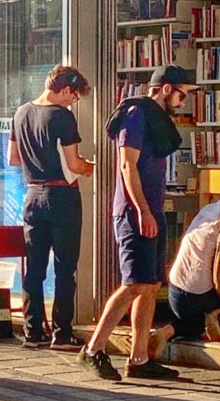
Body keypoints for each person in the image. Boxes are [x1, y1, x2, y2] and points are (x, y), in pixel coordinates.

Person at [78, 65, 198, 380]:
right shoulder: (136, 114)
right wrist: (142, 210)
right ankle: (93, 349)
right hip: (134, 212)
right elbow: (127, 166)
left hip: (152, 208)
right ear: (166, 88)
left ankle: (140, 358)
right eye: (182, 93)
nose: (184, 101)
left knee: (151, 285)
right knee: (134, 284)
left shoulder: (157, 118)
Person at [8, 65, 94, 350]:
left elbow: (13, 159)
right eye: (74, 96)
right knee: (65, 267)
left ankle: (33, 331)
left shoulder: (20, 113)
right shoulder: (62, 117)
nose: (73, 102)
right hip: (62, 196)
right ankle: (62, 332)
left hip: (32, 195)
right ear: (66, 89)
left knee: (34, 267)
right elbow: (74, 164)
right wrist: (92, 167)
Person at [147, 177, 220, 353]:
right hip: (200, 297)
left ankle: (165, 333)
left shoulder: (210, 208)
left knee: (192, 327)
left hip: (175, 291)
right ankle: (212, 314)